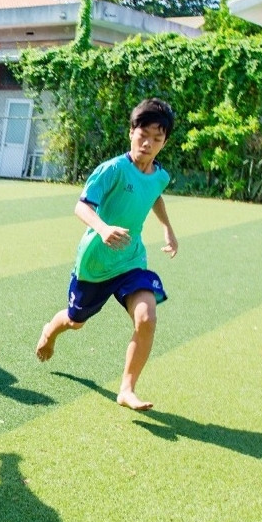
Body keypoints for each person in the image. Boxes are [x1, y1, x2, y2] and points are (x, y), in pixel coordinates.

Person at [35, 98, 178, 412]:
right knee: (75, 322)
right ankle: (50, 330)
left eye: (157, 138)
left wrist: (167, 227)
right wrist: (101, 227)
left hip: (131, 260)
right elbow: (81, 205)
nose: (149, 143)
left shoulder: (159, 175)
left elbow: (154, 195)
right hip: (97, 262)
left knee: (147, 317)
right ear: (131, 132)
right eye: (144, 135)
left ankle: (127, 389)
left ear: (164, 142)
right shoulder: (113, 169)